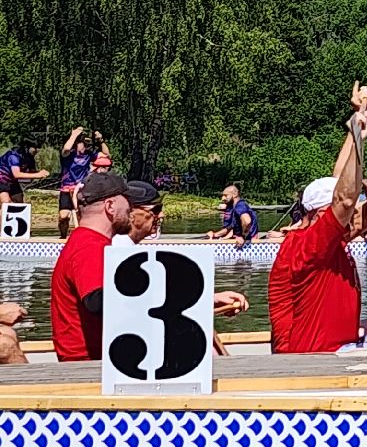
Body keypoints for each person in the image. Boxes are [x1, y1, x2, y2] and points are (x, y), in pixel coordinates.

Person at [268, 85, 367, 354]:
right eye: (339, 214)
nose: (350, 217)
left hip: (333, 342)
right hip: (311, 357)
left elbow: (344, 193)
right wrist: (360, 138)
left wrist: (358, 123)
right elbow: (345, 199)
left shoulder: (323, 240)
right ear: (319, 214)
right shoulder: (309, 244)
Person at [119, 180, 249, 316]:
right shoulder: (118, 249)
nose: (162, 215)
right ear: (131, 212)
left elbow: (158, 299)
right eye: (156, 210)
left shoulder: (128, 248)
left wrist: (212, 299)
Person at [49, 171, 131, 361]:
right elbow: (97, 302)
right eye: (127, 200)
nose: (131, 207)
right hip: (88, 364)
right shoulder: (90, 247)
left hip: (95, 358)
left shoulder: (84, 241)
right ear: (110, 206)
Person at [55, 127, 104, 239]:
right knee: (64, 216)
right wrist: (74, 135)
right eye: (84, 144)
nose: (86, 147)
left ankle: (83, 237)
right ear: (77, 143)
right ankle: (63, 236)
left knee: (81, 215)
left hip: (81, 188)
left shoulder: (89, 154)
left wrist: (101, 140)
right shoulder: (68, 154)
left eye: (88, 144)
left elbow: (107, 155)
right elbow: (66, 148)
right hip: (66, 189)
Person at [0, 139, 47, 206]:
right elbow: (17, 174)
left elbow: (32, 172)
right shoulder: (14, 156)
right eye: (35, 148)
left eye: (38, 148)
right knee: (6, 202)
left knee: (18, 201)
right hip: (1, 179)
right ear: (26, 147)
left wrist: (41, 173)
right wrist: (38, 175)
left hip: (12, 181)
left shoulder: (29, 158)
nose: (37, 150)